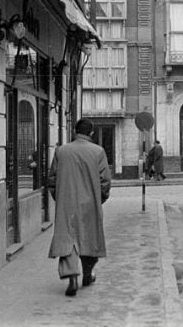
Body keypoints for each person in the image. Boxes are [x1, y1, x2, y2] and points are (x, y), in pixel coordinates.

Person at [47, 118, 111, 297]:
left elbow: (52, 180)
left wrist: (60, 198)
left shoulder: (61, 151)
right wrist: (99, 199)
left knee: (68, 239)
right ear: (90, 133)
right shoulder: (98, 151)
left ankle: (72, 277)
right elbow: (105, 181)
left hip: (66, 203)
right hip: (90, 203)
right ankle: (88, 274)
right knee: (90, 238)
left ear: (75, 131)